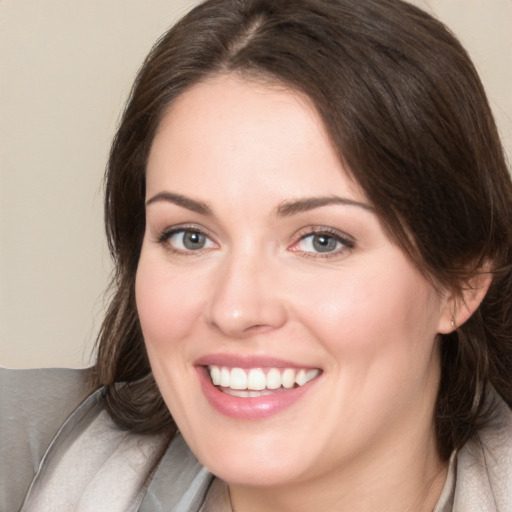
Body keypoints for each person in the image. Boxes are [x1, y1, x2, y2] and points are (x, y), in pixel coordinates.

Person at [2, 0, 511, 510]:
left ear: (462, 279)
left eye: (321, 240)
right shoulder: (24, 454)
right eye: (190, 237)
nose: (235, 309)